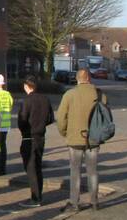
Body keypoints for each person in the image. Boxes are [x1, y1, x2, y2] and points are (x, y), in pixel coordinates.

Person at [56, 68, 109, 212]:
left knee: (75, 171)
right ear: (89, 78)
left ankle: (74, 202)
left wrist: (65, 132)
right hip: (94, 138)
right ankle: (94, 201)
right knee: (93, 171)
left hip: (74, 138)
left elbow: (61, 118)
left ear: (77, 79)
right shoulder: (100, 95)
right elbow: (105, 116)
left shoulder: (69, 95)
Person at [17, 75, 52, 207]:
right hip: (40, 137)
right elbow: (50, 118)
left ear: (26, 86)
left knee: (30, 168)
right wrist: (41, 125)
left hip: (29, 137)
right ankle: (38, 195)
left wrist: (25, 130)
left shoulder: (26, 101)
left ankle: (35, 198)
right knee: (37, 167)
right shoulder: (45, 99)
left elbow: (22, 120)